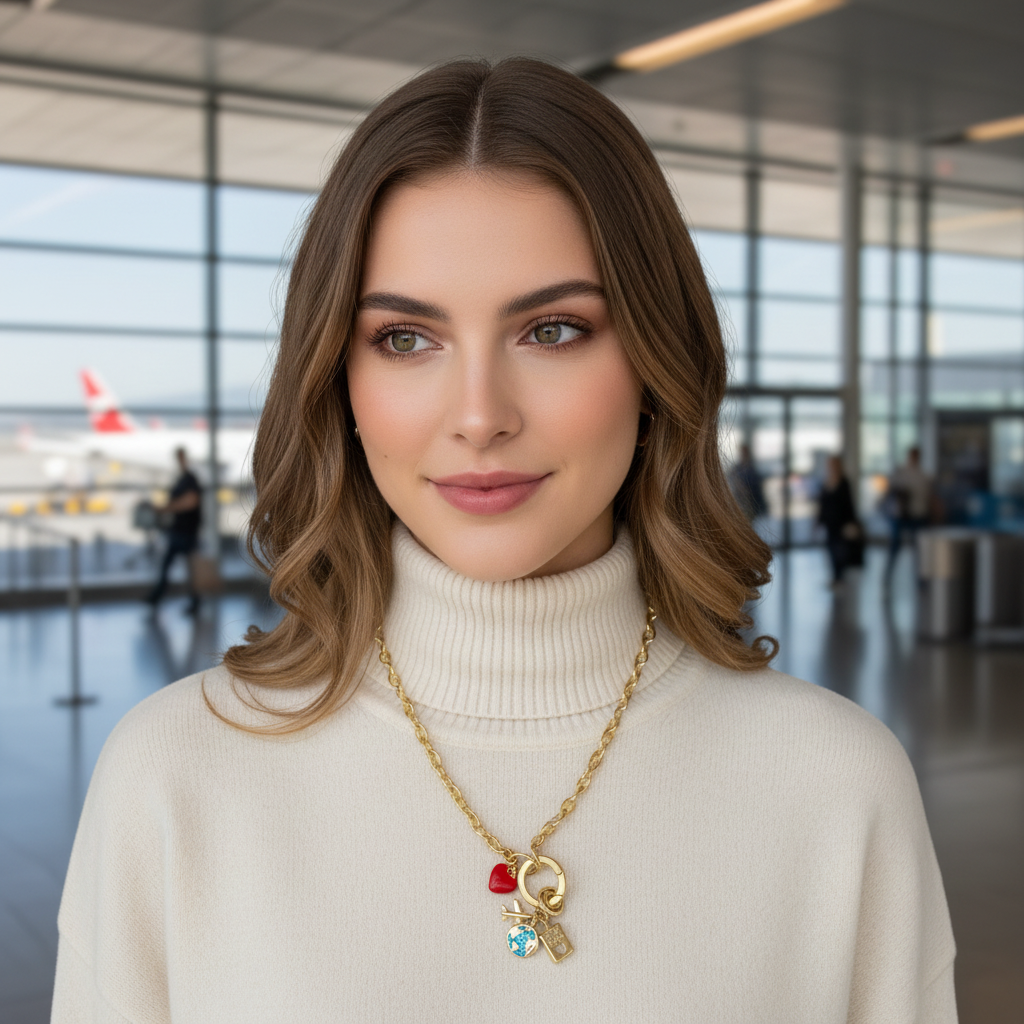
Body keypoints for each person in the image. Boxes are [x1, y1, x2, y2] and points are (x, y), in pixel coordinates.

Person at [52, 59, 956, 1022]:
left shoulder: (836, 787)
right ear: (337, 379)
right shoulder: (174, 777)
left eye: (554, 330)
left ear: (657, 361)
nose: (479, 416)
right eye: (405, 338)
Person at [145, 446, 202, 614]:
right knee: (170, 566)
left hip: (187, 532)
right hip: (178, 530)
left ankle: (192, 601)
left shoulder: (190, 479)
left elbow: (190, 502)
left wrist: (165, 509)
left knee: (188, 569)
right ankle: (156, 597)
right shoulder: (181, 479)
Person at [886, 446, 933, 574]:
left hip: (918, 516)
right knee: (895, 547)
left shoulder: (923, 475)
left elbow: (929, 497)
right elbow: (891, 491)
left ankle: (921, 580)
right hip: (901, 515)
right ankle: (888, 575)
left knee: (919, 549)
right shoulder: (901, 472)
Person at [817, 454, 860, 588]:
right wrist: (819, 520)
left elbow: (848, 504)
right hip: (830, 523)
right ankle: (835, 577)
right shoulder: (827, 482)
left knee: (840, 551)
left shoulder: (844, 482)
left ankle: (839, 577)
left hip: (841, 523)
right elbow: (822, 504)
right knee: (831, 549)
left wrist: (852, 521)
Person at [728, 442, 768, 522]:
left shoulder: (752, 469)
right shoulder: (737, 469)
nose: (744, 454)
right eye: (743, 452)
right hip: (741, 503)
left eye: (745, 452)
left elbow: (757, 489)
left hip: (750, 504)